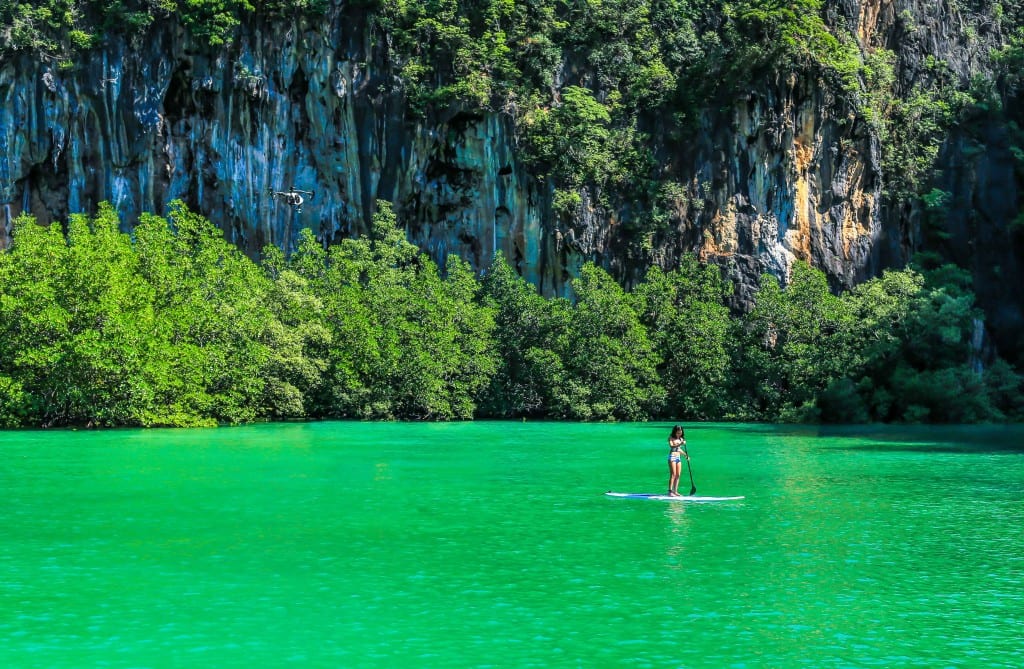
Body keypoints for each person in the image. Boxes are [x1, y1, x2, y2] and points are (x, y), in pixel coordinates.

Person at [667, 425, 689, 496]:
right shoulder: (671, 438)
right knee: (673, 474)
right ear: (675, 432)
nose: (679, 434)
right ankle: (670, 492)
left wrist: (686, 455)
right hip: (672, 456)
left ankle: (675, 491)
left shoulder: (681, 439)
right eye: (678, 433)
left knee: (678, 475)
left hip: (678, 458)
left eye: (680, 432)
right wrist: (680, 443)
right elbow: (672, 446)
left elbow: (679, 449)